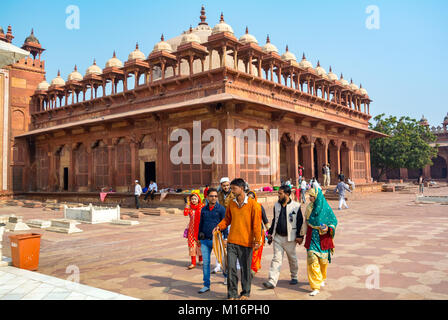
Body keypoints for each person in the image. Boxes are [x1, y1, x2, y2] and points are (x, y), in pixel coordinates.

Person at [214, 178, 262, 300]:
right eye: (231, 188)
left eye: (234, 188)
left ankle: (245, 292)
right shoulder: (231, 203)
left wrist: (257, 241)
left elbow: (256, 224)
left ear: (242, 188)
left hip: (247, 242)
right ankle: (232, 294)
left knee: (245, 270)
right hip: (232, 241)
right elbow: (227, 219)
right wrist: (219, 226)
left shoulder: (254, 205)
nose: (232, 190)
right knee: (231, 268)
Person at [263, 185, 305, 289]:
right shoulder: (276, 205)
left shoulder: (296, 206)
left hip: (290, 238)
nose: (278, 195)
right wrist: (270, 233)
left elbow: (300, 222)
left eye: (280, 193)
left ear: (287, 194)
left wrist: (300, 236)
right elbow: (274, 220)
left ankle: (294, 276)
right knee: (276, 259)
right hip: (278, 237)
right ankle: (272, 281)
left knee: (292, 258)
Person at [304, 186, 338, 296]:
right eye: (310, 197)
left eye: (312, 197)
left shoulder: (326, 208)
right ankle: (315, 286)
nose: (310, 199)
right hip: (312, 238)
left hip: (323, 239)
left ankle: (322, 277)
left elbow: (334, 221)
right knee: (312, 259)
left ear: (317, 197)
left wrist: (329, 228)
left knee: (323, 262)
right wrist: (300, 235)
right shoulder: (309, 208)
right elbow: (306, 222)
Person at [197, 188, 227, 294]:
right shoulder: (204, 209)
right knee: (206, 264)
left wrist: (225, 238)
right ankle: (206, 285)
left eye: (215, 196)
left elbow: (225, 224)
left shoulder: (221, 209)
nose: (214, 198)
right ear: (207, 197)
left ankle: (226, 277)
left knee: (223, 262)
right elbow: (201, 223)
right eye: (211, 196)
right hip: (205, 240)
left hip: (217, 240)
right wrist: (198, 237)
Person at [214, 177, 234, 275]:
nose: (226, 187)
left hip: (231, 221)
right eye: (224, 185)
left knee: (230, 243)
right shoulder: (218, 195)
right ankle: (219, 264)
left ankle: (232, 264)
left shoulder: (234, 194)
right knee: (219, 243)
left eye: (227, 185)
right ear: (221, 185)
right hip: (221, 221)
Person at [247, 191, 270, 277]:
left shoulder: (260, 207)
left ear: (255, 198)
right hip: (248, 232)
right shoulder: (245, 208)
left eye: (252, 198)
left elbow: (265, 220)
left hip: (259, 232)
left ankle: (254, 268)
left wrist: (269, 232)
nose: (250, 200)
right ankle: (255, 266)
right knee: (251, 252)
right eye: (248, 198)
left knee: (257, 251)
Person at [183, 191, 204, 269]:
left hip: (200, 229)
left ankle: (201, 260)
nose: (193, 200)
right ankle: (193, 263)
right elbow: (185, 214)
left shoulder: (202, 207)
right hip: (191, 230)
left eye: (195, 199)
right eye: (192, 199)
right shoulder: (190, 208)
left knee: (200, 245)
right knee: (192, 245)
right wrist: (186, 206)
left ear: (198, 199)